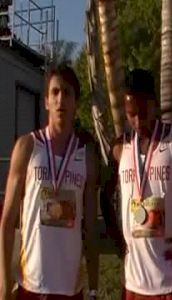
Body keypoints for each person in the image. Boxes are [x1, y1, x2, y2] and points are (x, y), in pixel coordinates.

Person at [0, 64, 99, 300]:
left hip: (70, 289)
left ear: (76, 102)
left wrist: (94, 289)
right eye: (54, 92)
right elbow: (7, 220)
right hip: (32, 285)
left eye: (67, 93)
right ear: (46, 101)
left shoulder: (86, 157)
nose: (60, 99)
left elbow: (92, 229)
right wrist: (4, 285)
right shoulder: (27, 147)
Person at [100, 68, 172, 300]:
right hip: (134, 279)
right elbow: (104, 196)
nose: (138, 121)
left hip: (168, 276)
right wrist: (116, 238)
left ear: (155, 104)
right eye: (131, 114)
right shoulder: (120, 147)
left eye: (143, 112)